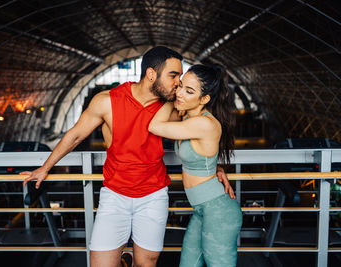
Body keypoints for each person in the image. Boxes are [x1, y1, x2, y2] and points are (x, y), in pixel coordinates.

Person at [21, 47, 233, 267]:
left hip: (154, 195)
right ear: (152, 74)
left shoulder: (172, 108)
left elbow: (202, 138)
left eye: (180, 77)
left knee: (146, 264)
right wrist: (45, 167)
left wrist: (214, 167)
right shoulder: (107, 101)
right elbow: (75, 135)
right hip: (114, 196)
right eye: (173, 75)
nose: (178, 83)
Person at [149, 64, 242, 267]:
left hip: (218, 210)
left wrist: (171, 99)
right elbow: (204, 155)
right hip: (202, 209)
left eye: (188, 91)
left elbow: (154, 126)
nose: (180, 92)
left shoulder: (204, 124)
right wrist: (216, 168)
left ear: (204, 99)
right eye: (180, 86)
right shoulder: (189, 118)